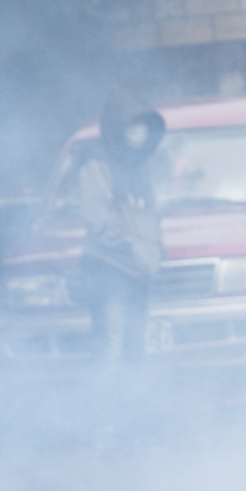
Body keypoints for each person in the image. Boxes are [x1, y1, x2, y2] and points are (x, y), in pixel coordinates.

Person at [77, 95, 164, 370]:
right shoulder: (96, 162)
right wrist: (137, 251)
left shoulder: (140, 165)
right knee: (110, 348)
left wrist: (156, 249)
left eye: (143, 125)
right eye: (132, 124)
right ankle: (106, 406)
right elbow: (101, 220)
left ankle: (133, 407)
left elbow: (149, 216)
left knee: (136, 349)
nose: (139, 131)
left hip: (137, 273)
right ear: (117, 126)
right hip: (109, 270)